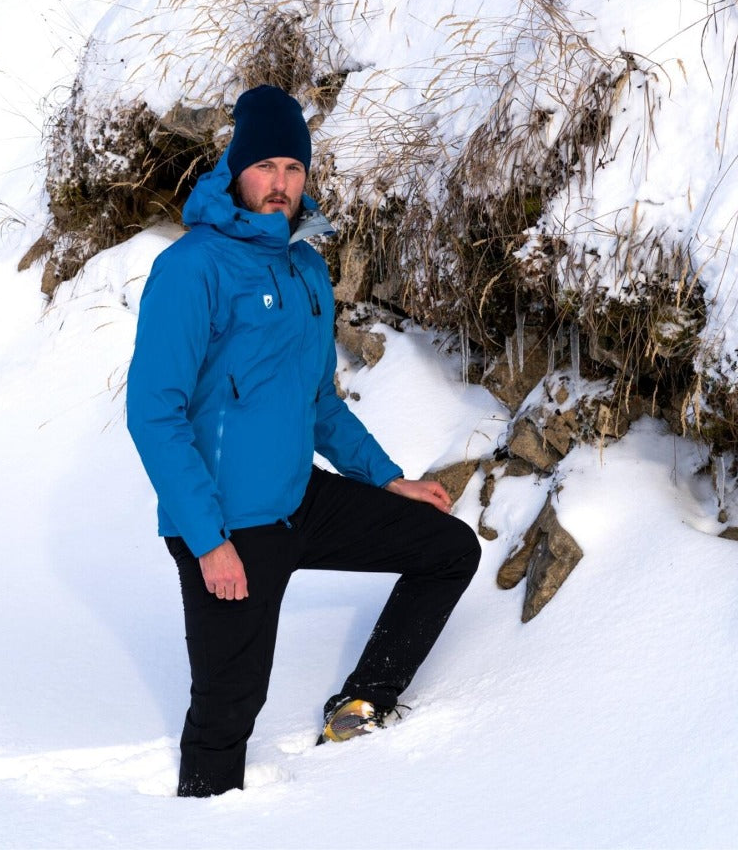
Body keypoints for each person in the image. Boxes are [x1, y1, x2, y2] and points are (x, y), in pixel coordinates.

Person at [126, 84, 481, 798]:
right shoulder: (192, 268)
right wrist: (209, 541)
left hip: (299, 498)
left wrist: (387, 480)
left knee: (447, 548)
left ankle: (363, 702)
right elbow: (152, 414)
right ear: (236, 170)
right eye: (266, 167)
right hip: (230, 523)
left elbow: (320, 402)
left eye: (294, 168)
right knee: (229, 711)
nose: (281, 183)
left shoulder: (305, 267)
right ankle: (202, 820)